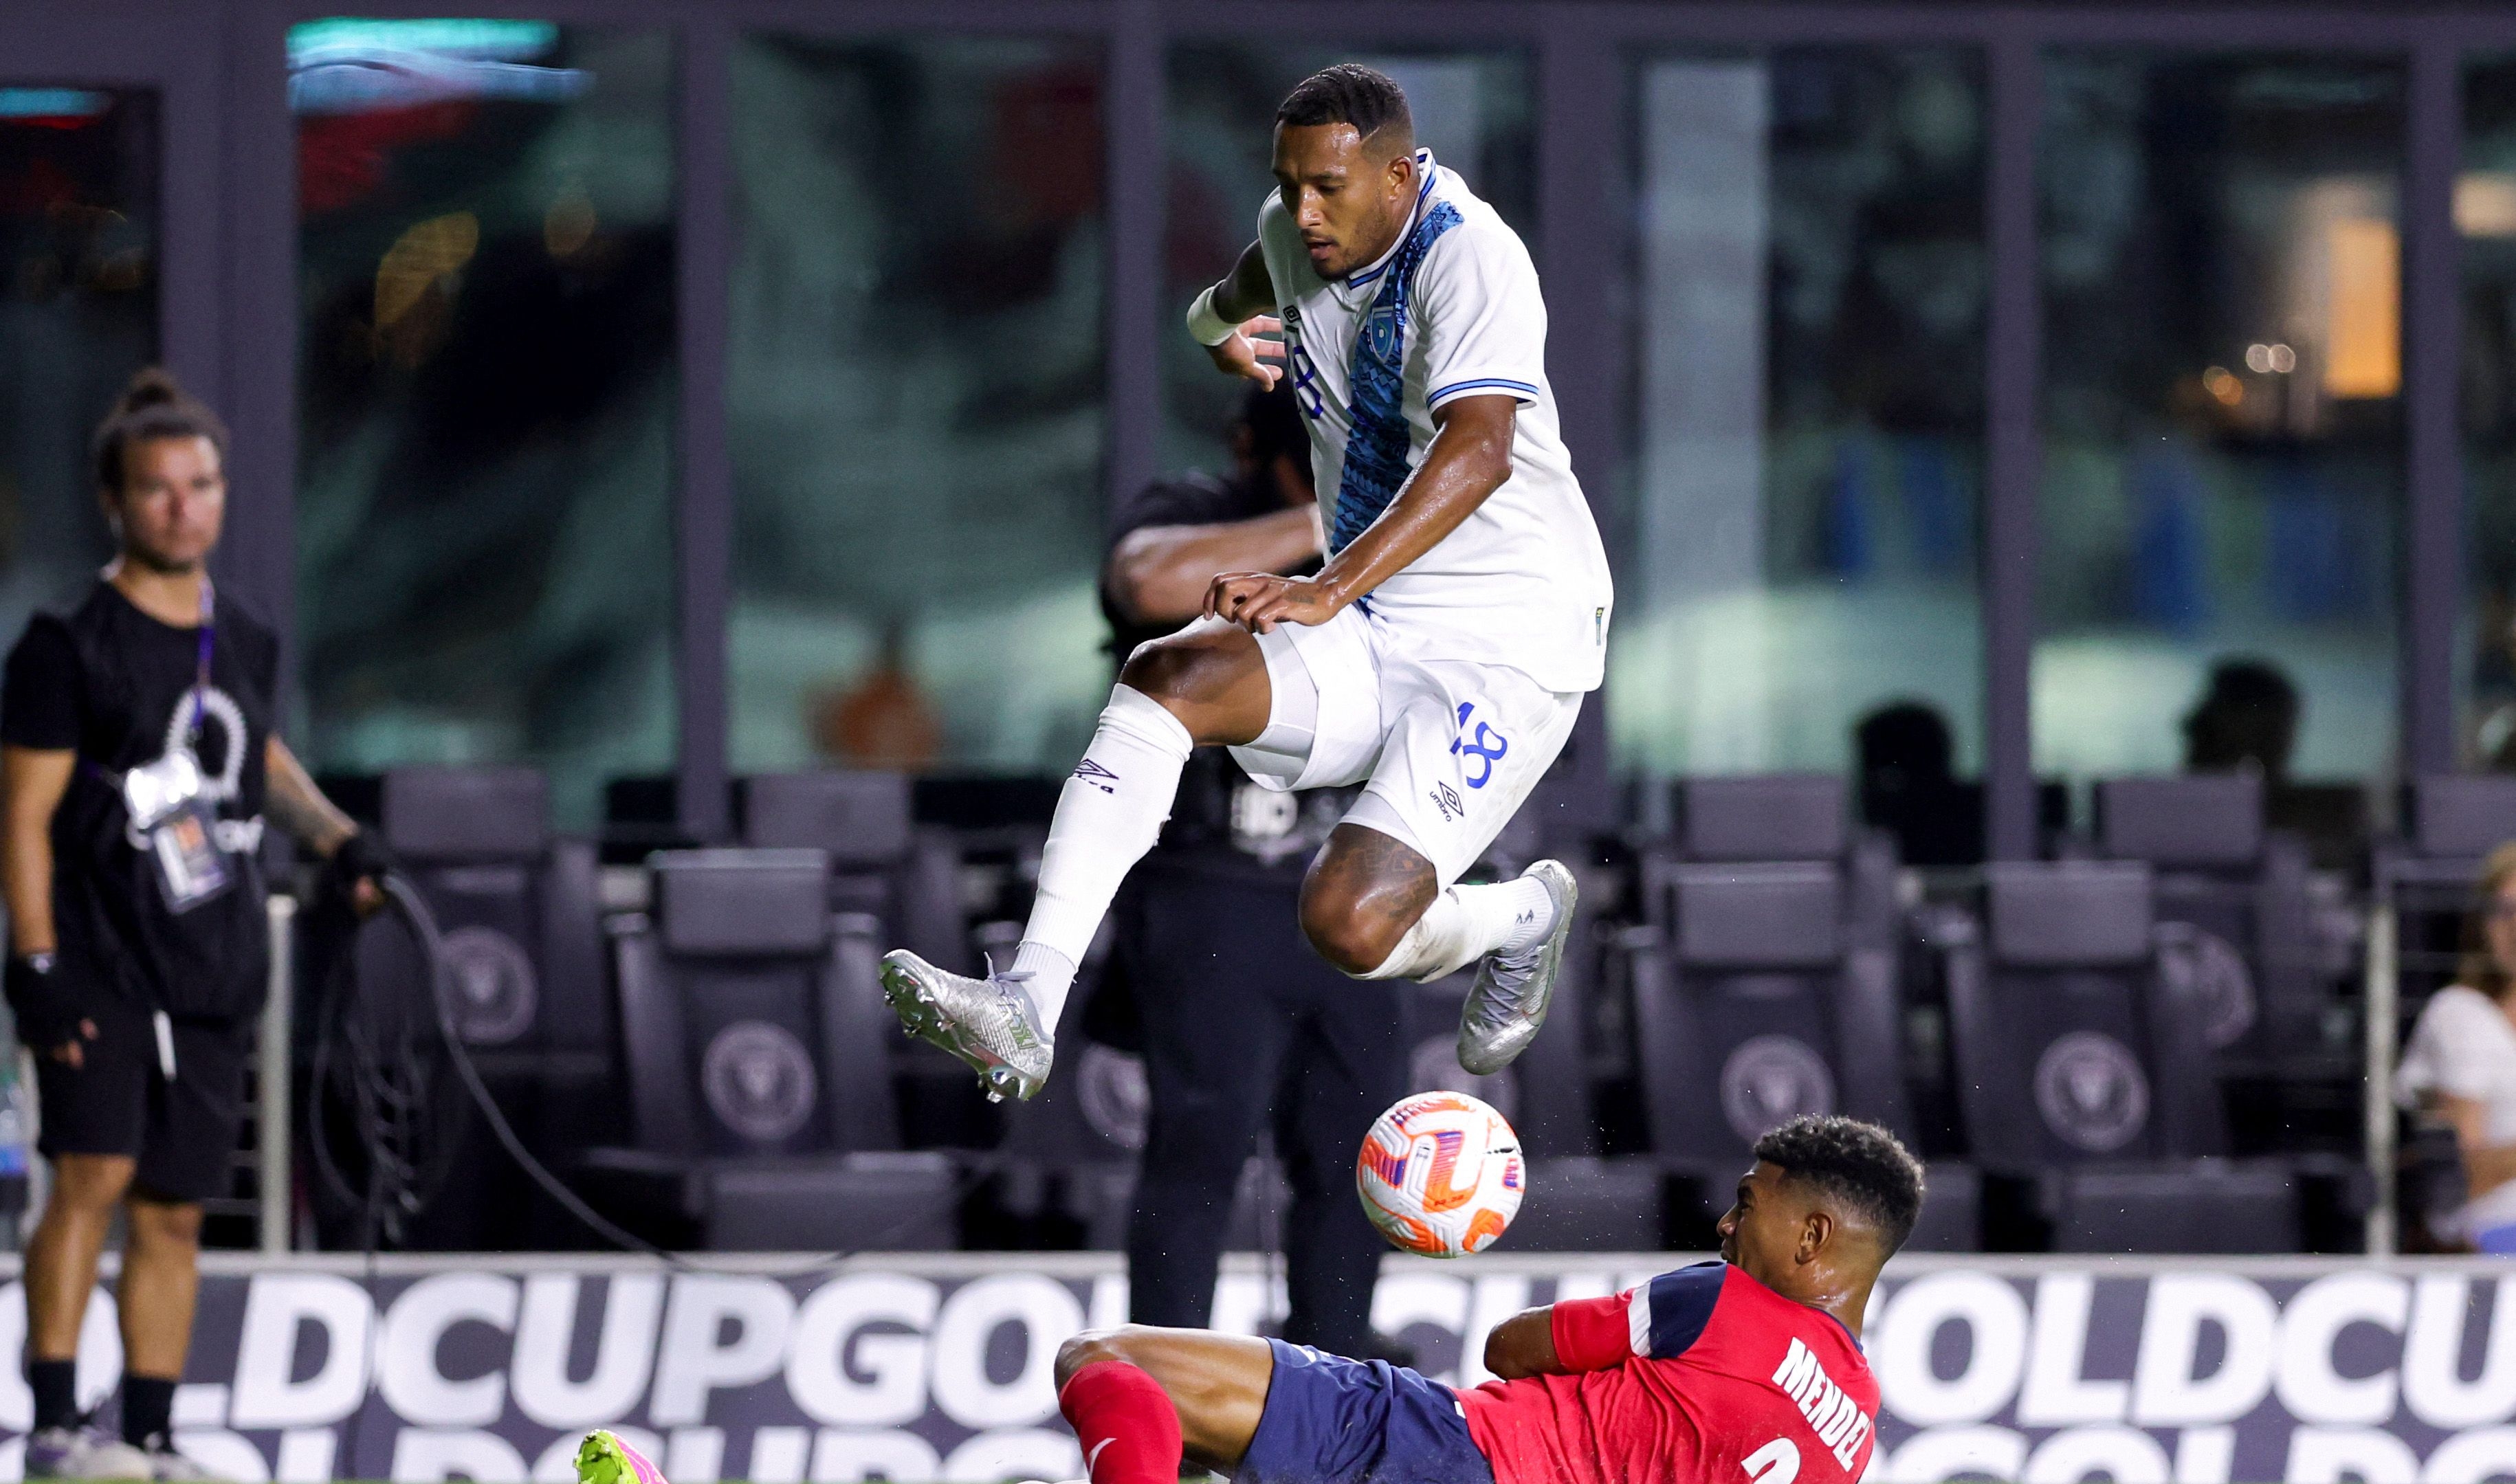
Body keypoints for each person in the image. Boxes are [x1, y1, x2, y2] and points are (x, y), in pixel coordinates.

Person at [882, 63, 1615, 1103]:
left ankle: (1524, 915)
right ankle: (1026, 1005)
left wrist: (1323, 586)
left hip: (1511, 640)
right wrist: (1214, 334)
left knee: (1348, 924)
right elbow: (1227, 297)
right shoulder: (1295, 226)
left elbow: (1480, 451)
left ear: (1402, 175)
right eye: (1289, 183)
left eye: (1330, 185)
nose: (1304, 210)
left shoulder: (1473, 256)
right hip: (1380, 614)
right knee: (1166, 675)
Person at [0, 370, 388, 1479]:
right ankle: (58, 1426)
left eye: (202, 484)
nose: (184, 506)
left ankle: (154, 1433)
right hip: (97, 961)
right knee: (93, 1176)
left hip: (213, 965)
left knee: (175, 1208)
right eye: (158, 489)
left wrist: (334, 835)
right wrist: (36, 963)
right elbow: (21, 815)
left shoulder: (245, 633)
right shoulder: (64, 642)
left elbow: (253, 753)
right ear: (116, 502)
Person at [1098, 381, 1407, 1359]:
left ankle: (1337, 1378)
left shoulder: (1404, 536)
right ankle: (1166, 1406)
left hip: (1348, 885)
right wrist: (1331, 514)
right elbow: (1142, 584)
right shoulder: (1201, 509)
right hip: (1212, 886)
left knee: (1356, 1155)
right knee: (1201, 1145)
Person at [2398, 841, 2516, 1252]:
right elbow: (2464, 1178)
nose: (2515, 928)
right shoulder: (2460, 1014)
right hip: (2491, 1235)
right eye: (2503, 912)